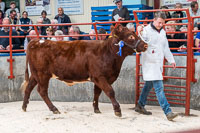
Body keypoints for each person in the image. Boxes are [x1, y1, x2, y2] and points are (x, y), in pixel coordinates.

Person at [135, 11, 178, 121]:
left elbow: (165, 48)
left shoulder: (163, 32)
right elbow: (139, 41)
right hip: (149, 62)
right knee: (159, 88)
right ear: (154, 20)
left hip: (158, 63)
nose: (161, 25)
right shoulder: (146, 31)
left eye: (162, 23)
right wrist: (139, 29)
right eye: (159, 22)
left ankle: (140, 104)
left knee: (148, 85)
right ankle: (168, 112)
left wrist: (171, 60)